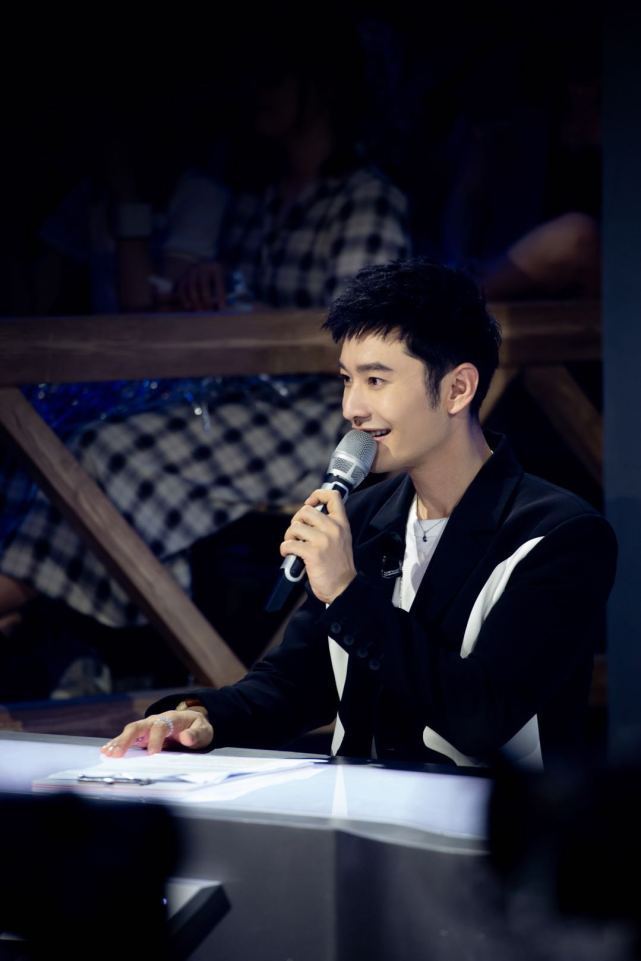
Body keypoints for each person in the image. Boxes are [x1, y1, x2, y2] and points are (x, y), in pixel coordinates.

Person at [102, 260, 617, 768]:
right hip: (356, 812)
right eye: (347, 380)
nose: (352, 407)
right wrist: (202, 717)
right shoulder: (366, 515)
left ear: (458, 389)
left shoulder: (559, 535)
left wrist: (348, 593)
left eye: (375, 380)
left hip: (487, 817)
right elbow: (296, 684)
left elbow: (482, 717)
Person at [0, 25, 410, 642]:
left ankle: (21, 596)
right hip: (245, 395)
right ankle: (52, 616)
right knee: (64, 434)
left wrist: (255, 317)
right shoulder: (256, 198)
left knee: (108, 451)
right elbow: (226, 300)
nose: (254, 93)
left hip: (322, 414)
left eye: (271, 77)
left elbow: (369, 334)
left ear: (319, 86)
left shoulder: (364, 199)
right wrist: (212, 290)